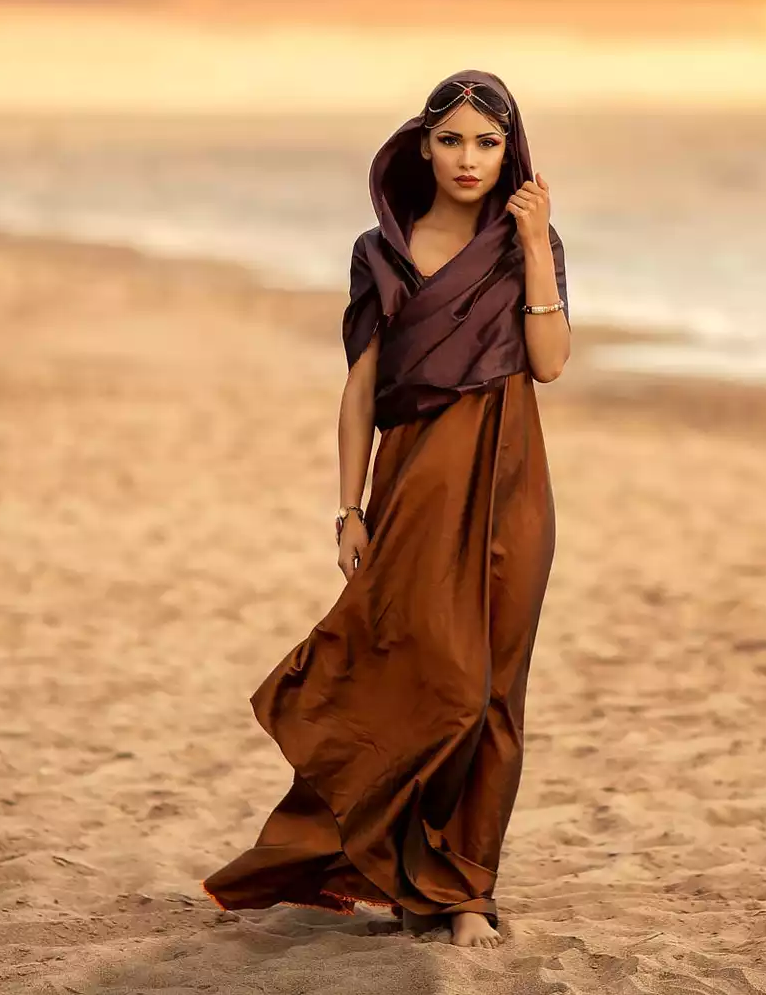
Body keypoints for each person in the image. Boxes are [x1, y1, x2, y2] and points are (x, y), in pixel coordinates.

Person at [201, 69, 571, 949]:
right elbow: (360, 389)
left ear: (510, 151)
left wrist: (528, 247)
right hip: (411, 482)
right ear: (422, 144)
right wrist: (349, 510)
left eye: (487, 142)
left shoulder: (533, 239)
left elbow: (550, 362)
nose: (468, 159)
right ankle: (376, 861)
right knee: (424, 676)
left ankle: (464, 889)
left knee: (492, 693)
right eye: (451, 140)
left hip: (512, 479)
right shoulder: (381, 250)